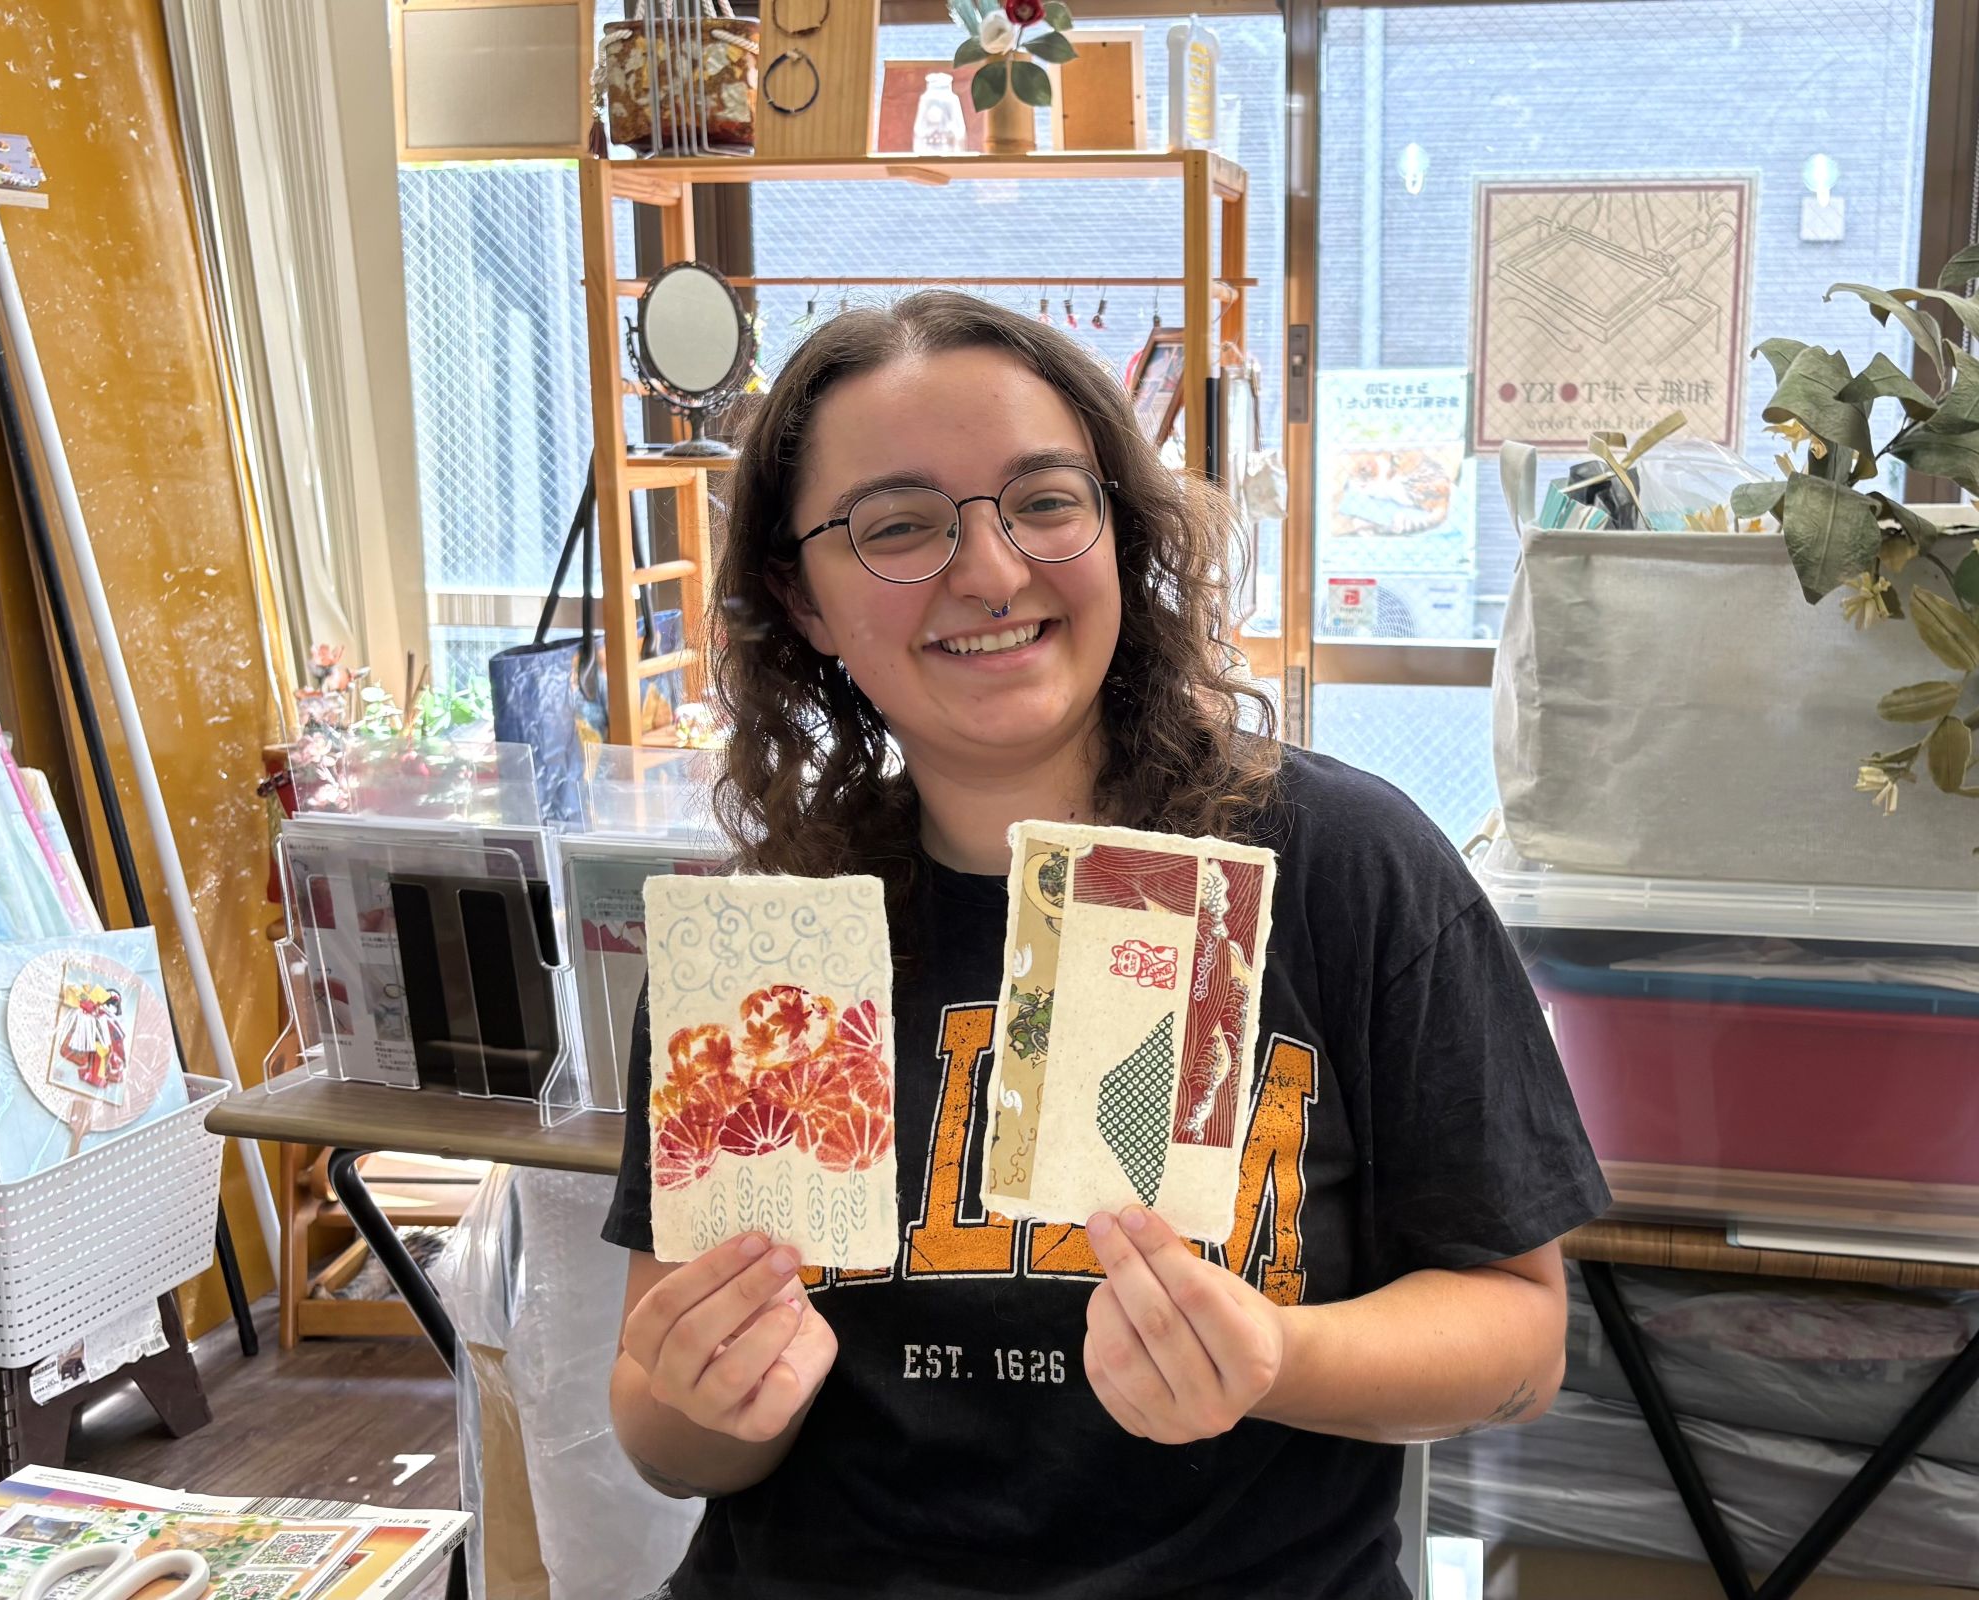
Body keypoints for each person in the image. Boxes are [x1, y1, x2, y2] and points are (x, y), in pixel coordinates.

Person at [604, 292, 1609, 1599]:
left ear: (1119, 530)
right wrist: (713, 1397)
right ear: (803, 600)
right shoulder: (777, 944)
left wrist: (1276, 1359)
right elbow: (665, 1436)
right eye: (898, 526)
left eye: (1043, 502)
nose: (990, 572)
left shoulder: (1345, 869)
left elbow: (1522, 1336)